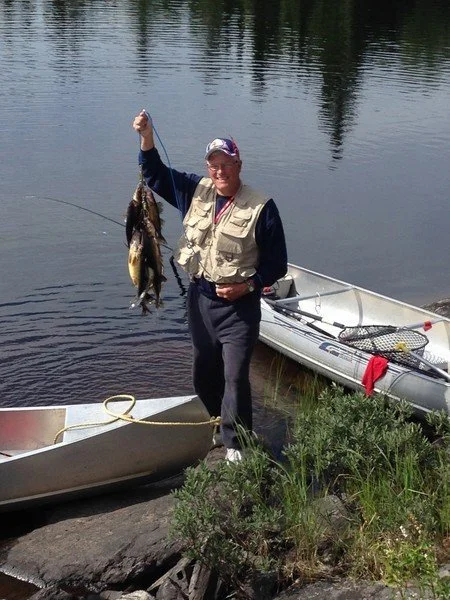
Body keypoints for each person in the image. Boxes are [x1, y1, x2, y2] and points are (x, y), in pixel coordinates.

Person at [132, 110, 288, 462]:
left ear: (238, 165)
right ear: (208, 167)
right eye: (214, 165)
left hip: (238, 309)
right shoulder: (195, 189)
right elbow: (154, 174)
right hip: (199, 301)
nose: (220, 171)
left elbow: (277, 263)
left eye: (226, 164)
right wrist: (146, 137)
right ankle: (219, 423)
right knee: (203, 373)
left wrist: (249, 286)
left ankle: (237, 443)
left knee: (235, 376)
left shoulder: (262, 207)